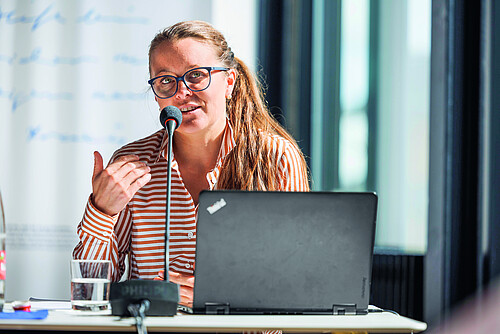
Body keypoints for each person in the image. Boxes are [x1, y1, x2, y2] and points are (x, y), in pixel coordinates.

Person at [72, 20, 309, 307]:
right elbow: (89, 295)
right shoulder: (131, 164)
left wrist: (220, 297)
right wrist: (102, 211)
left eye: (196, 75)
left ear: (229, 83)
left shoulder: (275, 158)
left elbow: (298, 282)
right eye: (166, 80)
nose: (181, 92)